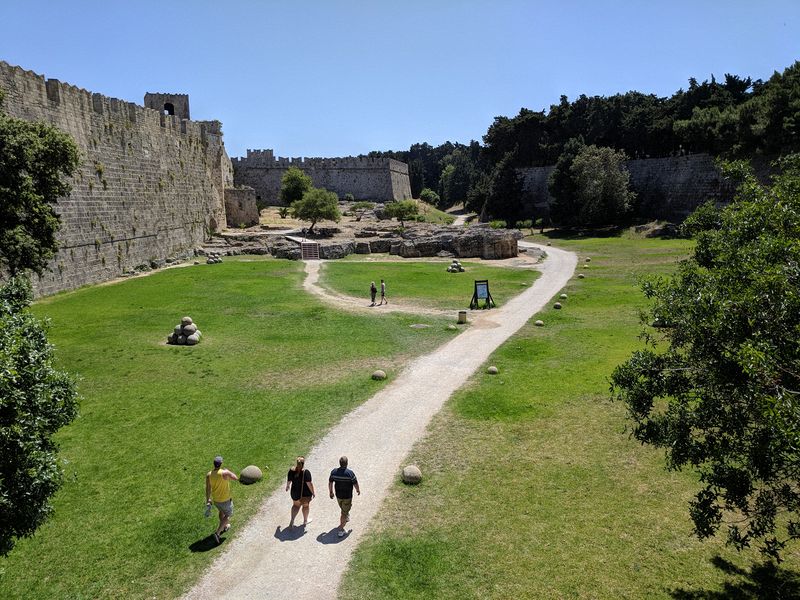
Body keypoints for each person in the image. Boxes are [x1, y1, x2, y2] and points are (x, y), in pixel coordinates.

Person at [205, 455, 238, 544]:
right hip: (225, 500)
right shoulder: (224, 473)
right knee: (228, 515)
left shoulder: (209, 474)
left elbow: (208, 488)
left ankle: (225, 526)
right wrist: (228, 471)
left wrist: (208, 499)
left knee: (221, 512)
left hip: (216, 500)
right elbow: (235, 478)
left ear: (214, 464)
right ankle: (217, 533)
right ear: (221, 464)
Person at [328, 455, 360, 537]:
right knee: (343, 513)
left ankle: (346, 515)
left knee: (343, 509)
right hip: (347, 496)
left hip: (338, 496)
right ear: (347, 463)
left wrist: (331, 492)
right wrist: (357, 490)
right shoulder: (350, 473)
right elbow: (355, 483)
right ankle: (341, 530)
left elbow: (330, 482)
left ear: (340, 463)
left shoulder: (334, 472)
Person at [285, 456, 315, 528]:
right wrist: (313, 492)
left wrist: (287, 486)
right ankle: (305, 520)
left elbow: (289, 481)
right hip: (305, 494)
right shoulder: (306, 472)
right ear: (303, 463)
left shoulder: (291, 470)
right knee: (305, 506)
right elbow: (309, 484)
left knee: (295, 506)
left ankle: (292, 520)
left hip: (295, 493)